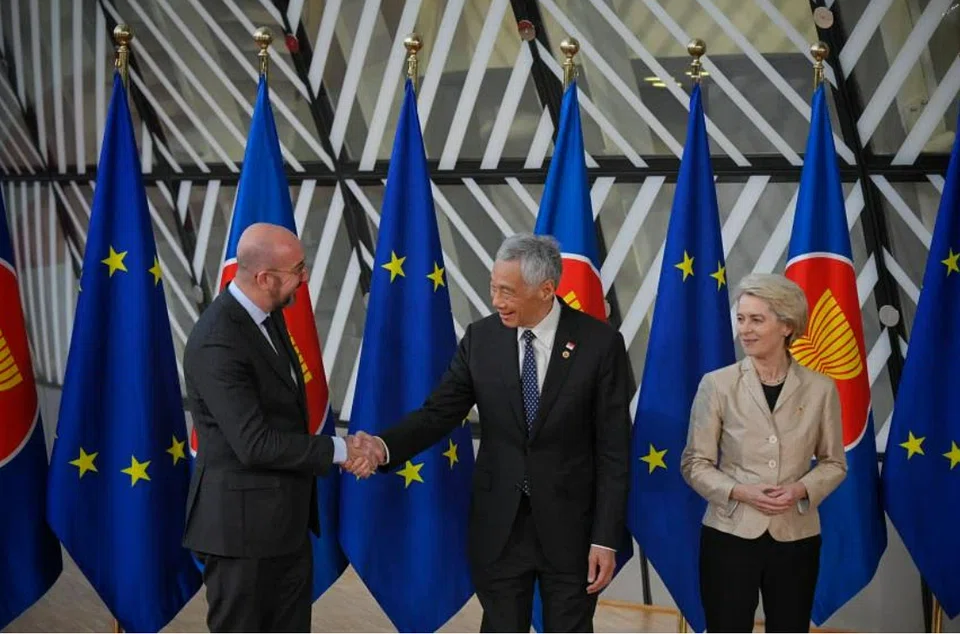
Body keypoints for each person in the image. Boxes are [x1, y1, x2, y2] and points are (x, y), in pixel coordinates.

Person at [354, 233, 631, 633]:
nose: (496, 301)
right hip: (500, 525)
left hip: (574, 528)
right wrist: (382, 447)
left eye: (507, 292)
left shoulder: (599, 344)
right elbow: (439, 412)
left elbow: (614, 450)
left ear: (546, 289)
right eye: (493, 288)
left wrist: (605, 538)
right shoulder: (481, 339)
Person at [182, 222, 377, 632]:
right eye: (298, 270)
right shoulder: (219, 339)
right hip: (241, 532)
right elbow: (254, 443)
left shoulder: (267, 317)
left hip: (282, 527)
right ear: (265, 278)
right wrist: (342, 451)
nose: (304, 278)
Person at [680, 273, 847, 633]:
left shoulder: (820, 388)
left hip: (796, 536)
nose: (746, 330)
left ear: (787, 325)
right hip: (729, 533)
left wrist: (800, 490)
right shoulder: (717, 384)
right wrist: (740, 491)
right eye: (741, 319)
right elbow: (695, 463)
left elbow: (834, 463)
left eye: (757, 320)